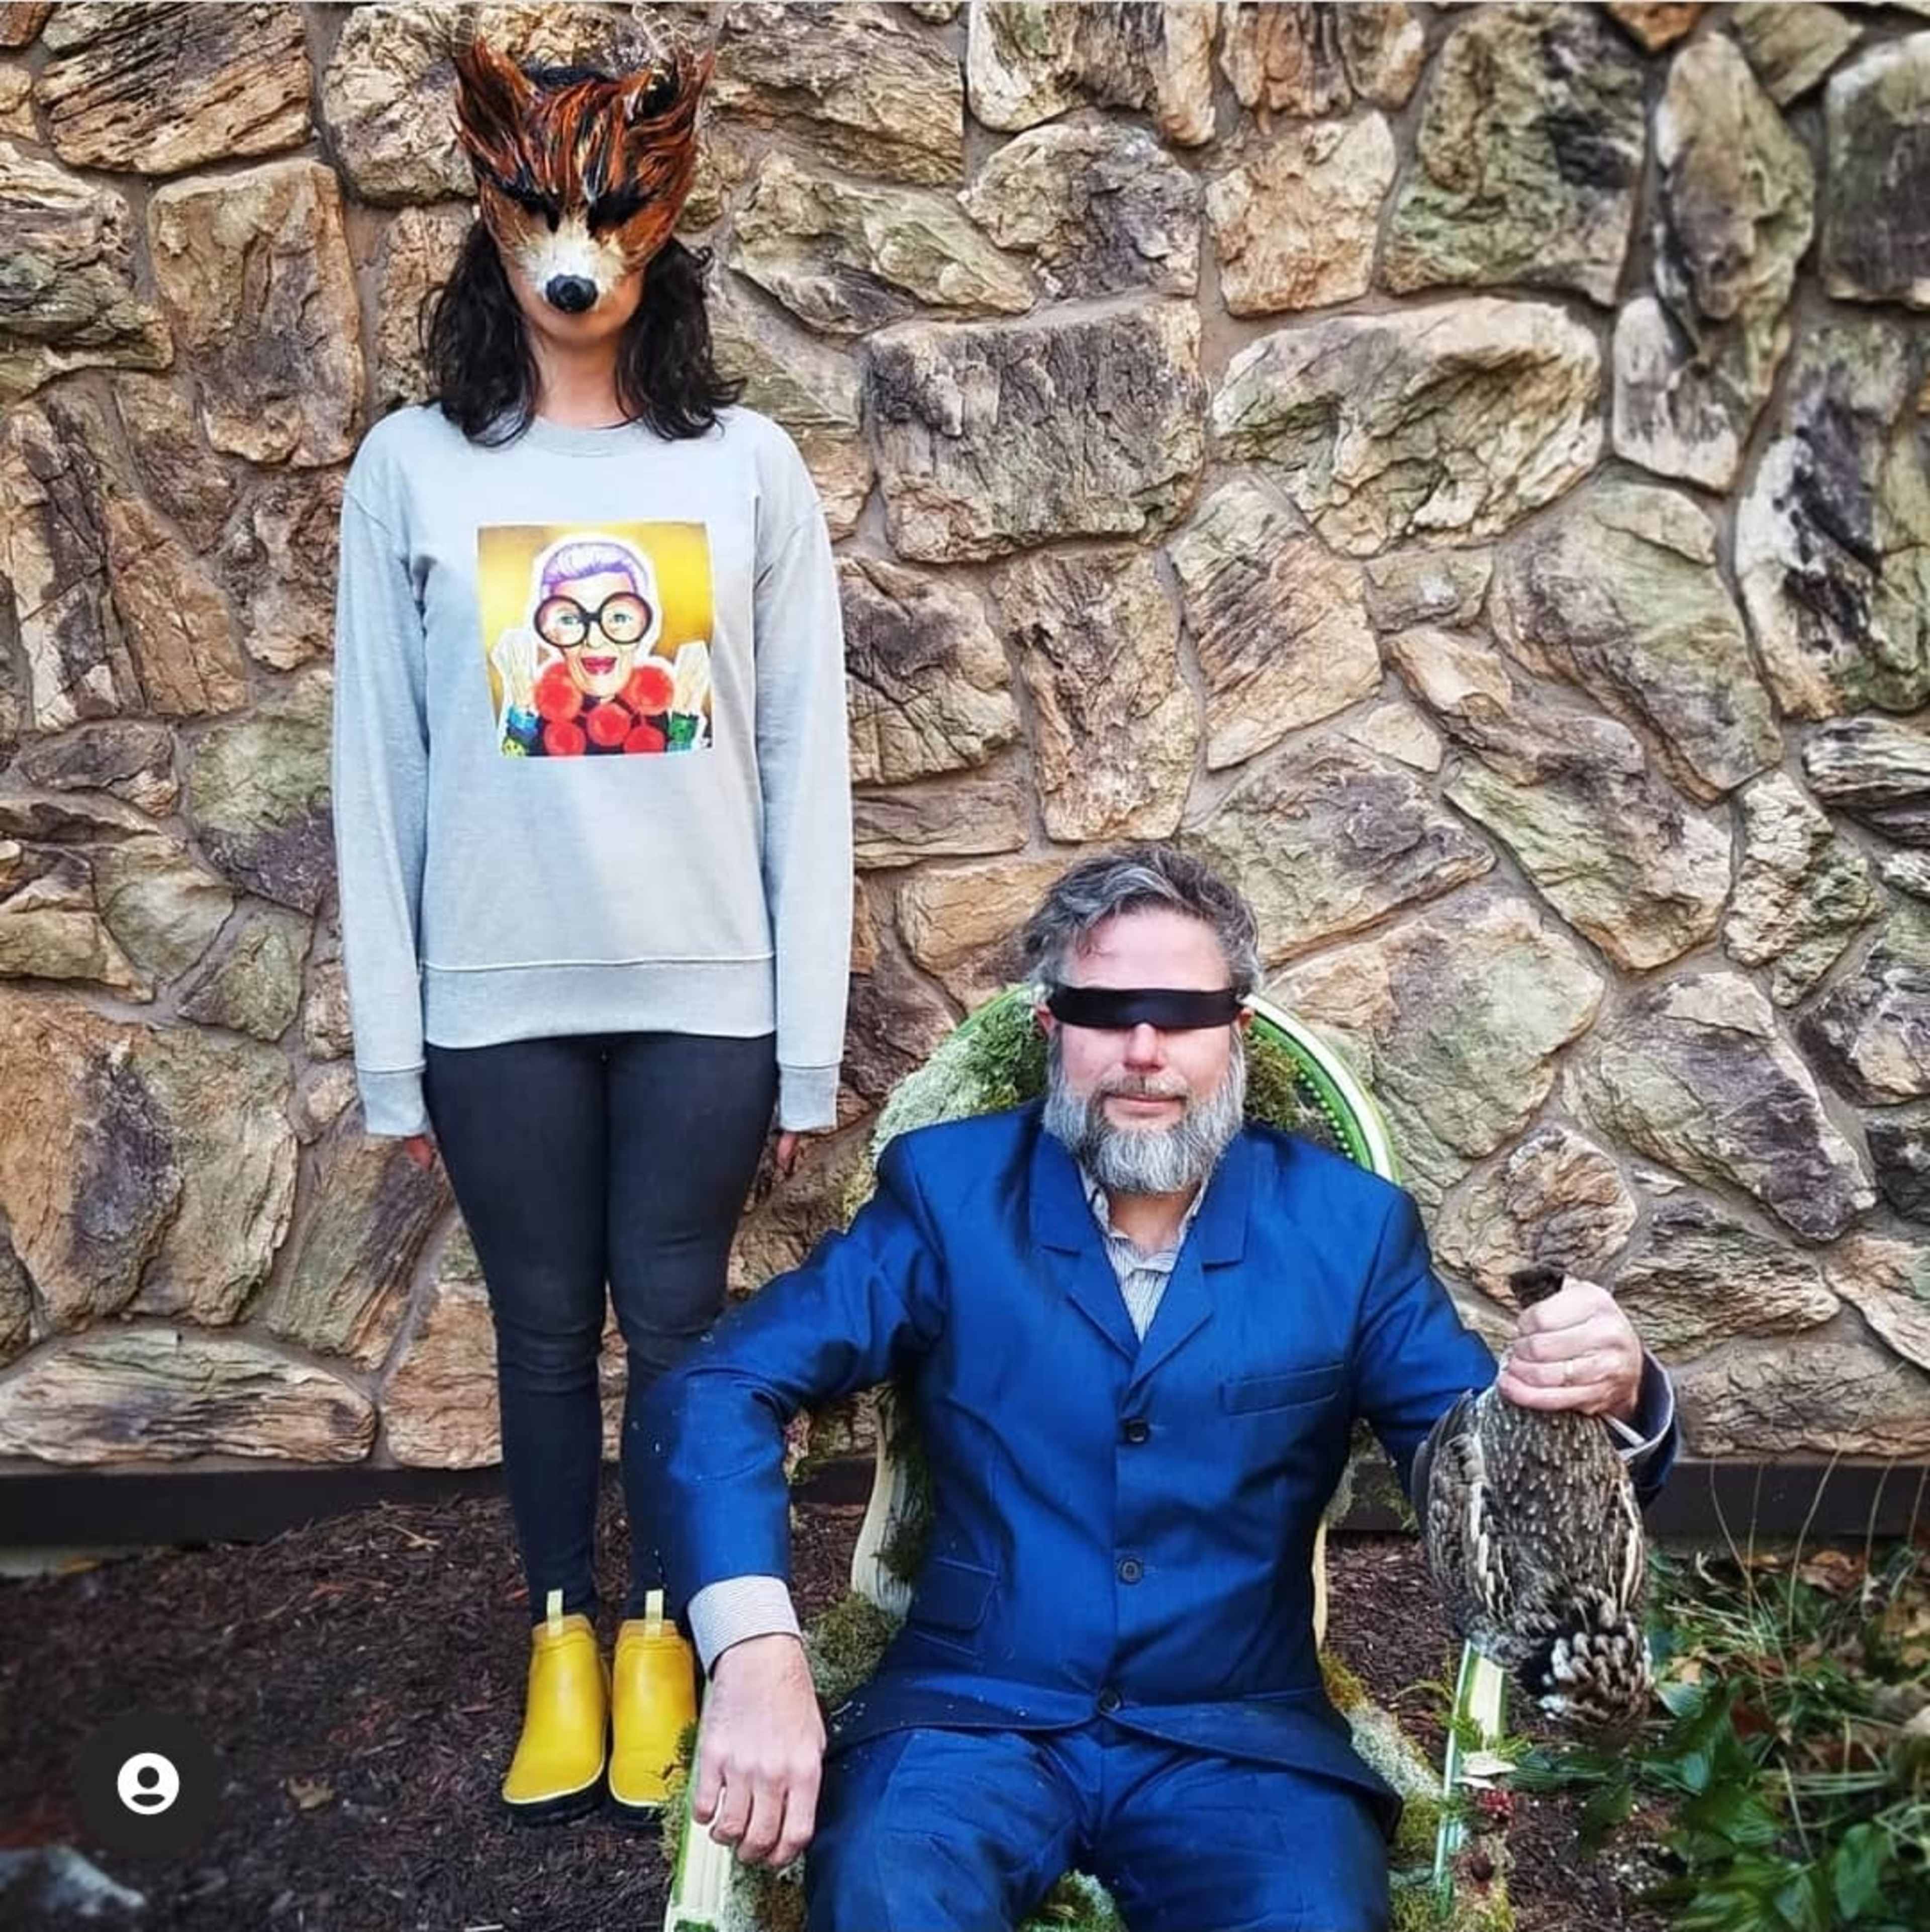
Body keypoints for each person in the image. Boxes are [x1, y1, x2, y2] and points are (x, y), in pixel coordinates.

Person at [645, 847, 1677, 1932]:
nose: (1144, 1050)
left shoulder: (1348, 1229)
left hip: (1240, 1741)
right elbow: (721, 1385)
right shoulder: (949, 1194)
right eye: (1106, 1009)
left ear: (1235, 1030)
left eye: (1182, 1013)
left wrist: (1615, 1395)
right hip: (969, 1721)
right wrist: (757, 1651)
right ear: (1054, 1031)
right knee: (891, 1903)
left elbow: (1484, 1472)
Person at [327, 30, 851, 1827]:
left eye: (609, 219)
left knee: (684, 1331)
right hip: (497, 992)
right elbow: (374, 770)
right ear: (492, 218)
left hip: (703, 988)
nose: (574, 259)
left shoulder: (745, 468)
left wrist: (806, 1037)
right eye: (540, 214)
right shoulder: (414, 470)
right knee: (544, 1336)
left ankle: (674, 1645)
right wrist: (393, 1043)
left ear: (659, 232)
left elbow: (803, 760)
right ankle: (566, 1633)